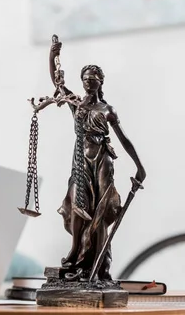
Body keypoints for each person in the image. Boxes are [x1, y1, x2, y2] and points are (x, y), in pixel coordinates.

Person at [48, 39, 146, 281]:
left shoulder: (107, 110)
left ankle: (99, 264)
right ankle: (75, 252)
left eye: (94, 79)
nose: (89, 82)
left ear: (100, 82)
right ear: (82, 81)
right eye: (86, 79)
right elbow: (57, 83)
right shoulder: (75, 104)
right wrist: (53, 56)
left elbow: (124, 140)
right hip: (80, 161)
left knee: (100, 212)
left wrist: (139, 166)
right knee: (74, 205)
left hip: (101, 161)